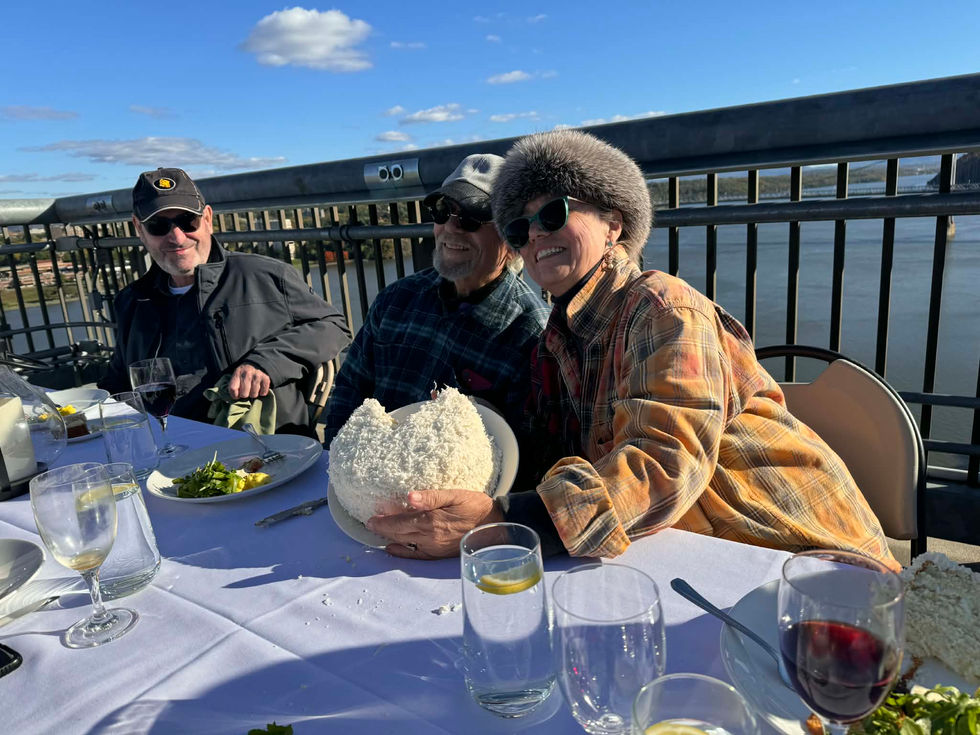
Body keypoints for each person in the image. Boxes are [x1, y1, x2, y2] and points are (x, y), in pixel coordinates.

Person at [367, 130, 899, 572]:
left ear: (614, 224)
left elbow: (662, 467)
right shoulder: (556, 342)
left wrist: (499, 521)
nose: (535, 236)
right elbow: (545, 458)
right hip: (696, 563)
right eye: (519, 228)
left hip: (803, 561)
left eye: (552, 213)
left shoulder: (663, 309)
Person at [99, 167, 350, 436]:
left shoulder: (265, 276)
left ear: (208, 219)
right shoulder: (132, 301)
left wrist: (266, 362)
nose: (177, 237)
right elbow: (118, 384)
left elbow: (334, 326)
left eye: (188, 221)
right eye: (158, 225)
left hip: (262, 445)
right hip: (167, 447)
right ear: (139, 229)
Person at [321, 153, 550, 447]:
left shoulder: (530, 333)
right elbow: (350, 389)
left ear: (511, 238)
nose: (452, 227)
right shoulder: (395, 300)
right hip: (368, 467)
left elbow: (526, 449)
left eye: (472, 216)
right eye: (443, 211)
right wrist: (336, 457)